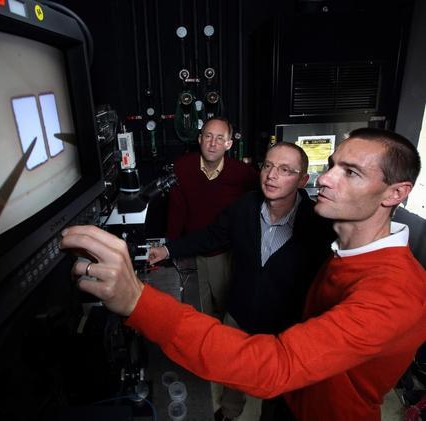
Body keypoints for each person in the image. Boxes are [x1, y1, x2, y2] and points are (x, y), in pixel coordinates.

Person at [60, 128, 426, 421]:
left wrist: (138, 300)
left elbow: (276, 366)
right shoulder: (346, 251)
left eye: (351, 172)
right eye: (331, 165)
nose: (326, 179)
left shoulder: (394, 293)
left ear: (395, 193)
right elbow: (212, 235)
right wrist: (168, 249)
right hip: (291, 397)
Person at [149, 142, 335, 420]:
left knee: (277, 392)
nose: (271, 175)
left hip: (285, 327)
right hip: (239, 314)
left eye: (285, 170)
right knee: (232, 374)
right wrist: (167, 249)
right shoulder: (244, 207)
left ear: (302, 180)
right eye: (268, 166)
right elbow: (211, 235)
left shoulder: (317, 223)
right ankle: (229, 411)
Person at [167, 116, 258, 319]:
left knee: (228, 311)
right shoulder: (182, 168)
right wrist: (171, 249)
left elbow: (255, 210)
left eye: (219, 138)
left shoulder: (243, 174)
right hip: (191, 251)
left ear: (229, 144)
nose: (212, 143)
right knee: (198, 313)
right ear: (199, 139)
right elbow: (176, 211)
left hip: (225, 254)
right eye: (208, 136)